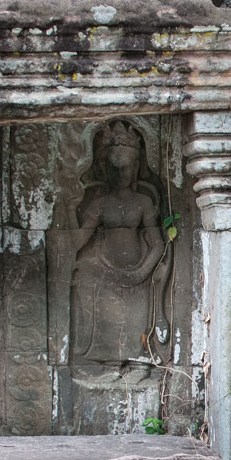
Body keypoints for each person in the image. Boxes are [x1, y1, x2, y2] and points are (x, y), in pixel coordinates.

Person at [69, 120, 170, 376]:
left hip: (139, 270)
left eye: (125, 168)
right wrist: (70, 209)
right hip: (106, 267)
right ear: (104, 168)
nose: (119, 174)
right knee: (86, 276)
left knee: (139, 301)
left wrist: (143, 270)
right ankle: (108, 362)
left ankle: (139, 361)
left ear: (136, 168)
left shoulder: (143, 202)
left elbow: (158, 243)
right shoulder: (100, 204)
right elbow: (79, 242)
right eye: (114, 168)